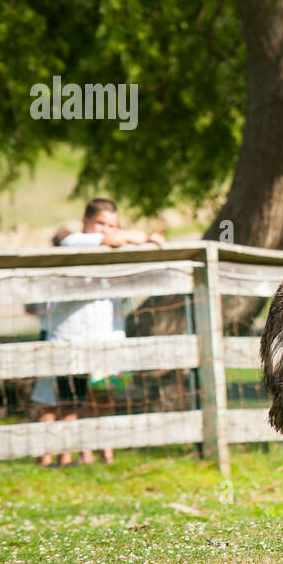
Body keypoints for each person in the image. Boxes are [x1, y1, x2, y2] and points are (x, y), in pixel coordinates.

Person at [32, 199, 165, 466]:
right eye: (100, 224)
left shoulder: (115, 252)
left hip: (107, 333)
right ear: (86, 222)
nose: (106, 230)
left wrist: (149, 242)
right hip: (68, 333)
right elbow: (114, 240)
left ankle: (100, 453)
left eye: (112, 225)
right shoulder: (74, 243)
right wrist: (134, 236)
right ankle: (54, 456)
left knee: (102, 395)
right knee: (61, 397)